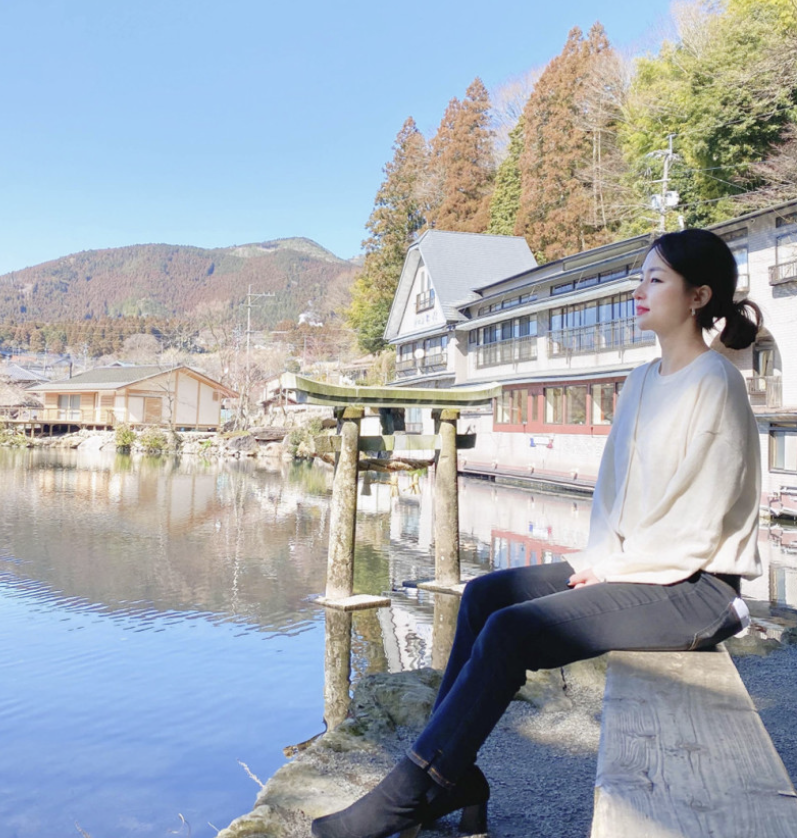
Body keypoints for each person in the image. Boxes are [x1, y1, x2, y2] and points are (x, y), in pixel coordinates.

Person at [312, 228, 764, 838]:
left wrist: (614, 571)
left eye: (655, 279)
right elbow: (614, 499)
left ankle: (411, 791)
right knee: (484, 597)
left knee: (513, 631)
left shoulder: (716, 382)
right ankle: (453, 775)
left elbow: (701, 518)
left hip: (698, 586)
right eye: (640, 277)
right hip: (637, 566)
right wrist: (601, 557)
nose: (638, 290)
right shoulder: (639, 381)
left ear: (697, 297)